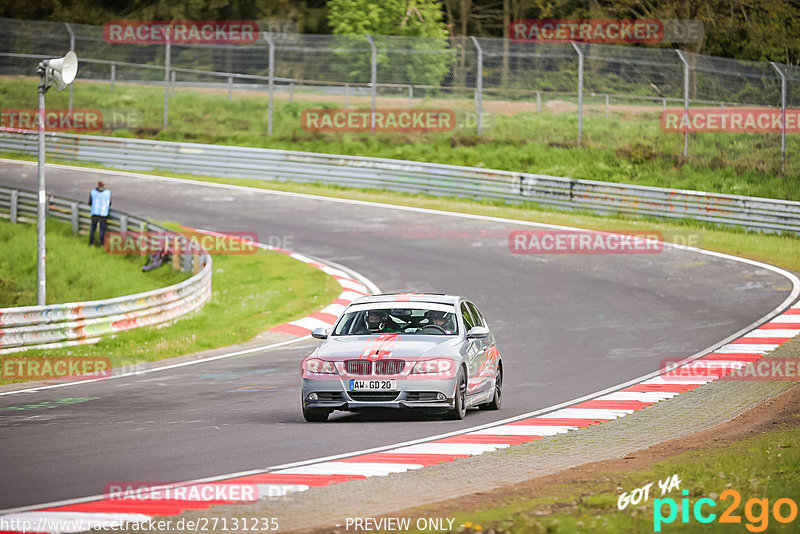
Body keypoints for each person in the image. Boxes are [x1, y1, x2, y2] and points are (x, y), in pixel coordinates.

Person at [88, 181, 111, 246]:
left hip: (94, 213)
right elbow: (109, 203)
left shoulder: (93, 192)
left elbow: (90, 202)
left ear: (98, 185)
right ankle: (101, 244)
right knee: (102, 231)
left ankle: (91, 243)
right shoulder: (108, 193)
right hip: (103, 214)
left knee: (92, 229)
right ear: (103, 185)